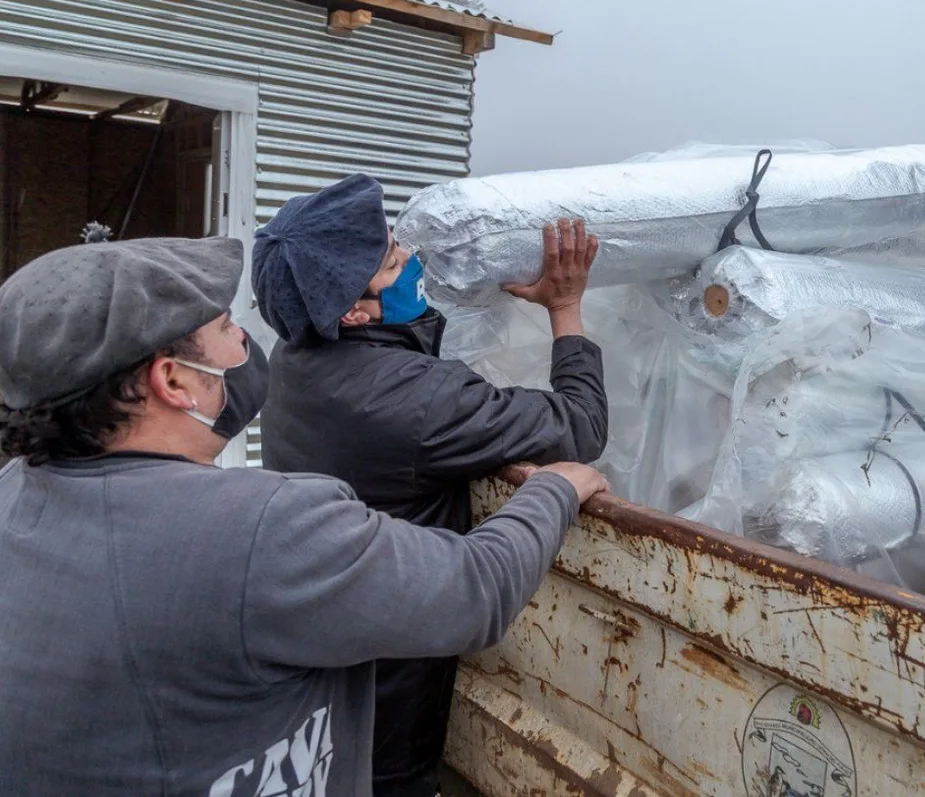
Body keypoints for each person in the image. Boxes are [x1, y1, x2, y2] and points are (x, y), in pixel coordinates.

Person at [0, 232, 608, 796]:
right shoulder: (261, 528)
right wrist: (552, 489)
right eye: (225, 327)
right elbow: (476, 589)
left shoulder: (14, 493)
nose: (245, 343)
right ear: (173, 381)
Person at [251, 173, 609, 797]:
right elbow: (579, 425)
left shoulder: (297, 359)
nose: (410, 259)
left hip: (328, 656)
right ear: (352, 312)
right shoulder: (412, 401)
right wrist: (566, 307)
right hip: (392, 681)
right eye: (392, 262)